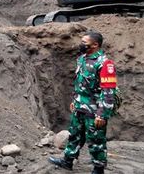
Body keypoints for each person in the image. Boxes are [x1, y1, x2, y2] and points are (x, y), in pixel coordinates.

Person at [48, 32, 117, 174]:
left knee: (96, 139)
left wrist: (102, 114)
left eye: (84, 42)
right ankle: (68, 161)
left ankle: (98, 169)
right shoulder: (82, 59)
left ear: (95, 45)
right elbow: (80, 83)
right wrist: (75, 100)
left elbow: (108, 92)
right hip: (80, 105)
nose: (81, 44)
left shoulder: (105, 64)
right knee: (74, 134)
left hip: (94, 109)